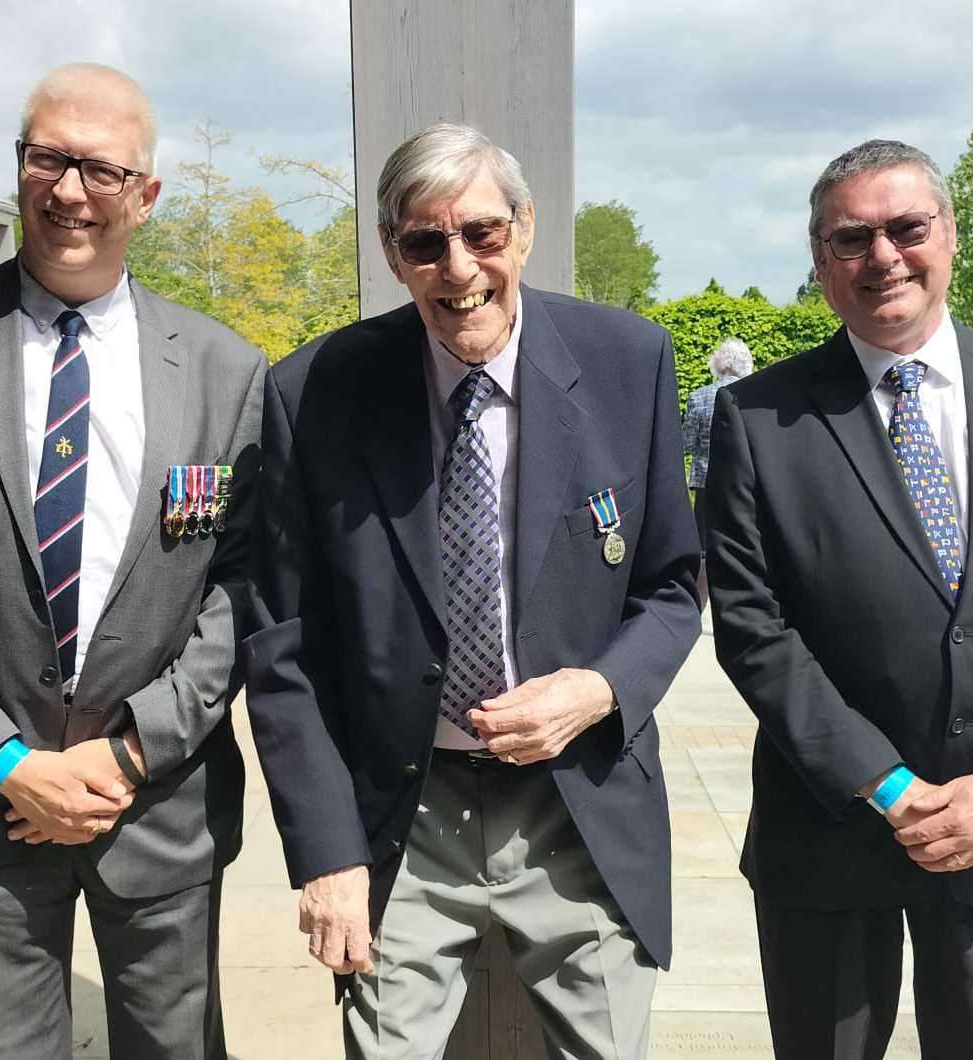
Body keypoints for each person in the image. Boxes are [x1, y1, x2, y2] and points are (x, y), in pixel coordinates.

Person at [0, 63, 266, 1060]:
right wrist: (5, 760)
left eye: (101, 169)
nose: (70, 191)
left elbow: (242, 587)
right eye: (48, 158)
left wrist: (130, 750)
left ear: (146, 195)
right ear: (22, 163)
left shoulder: (222, 367)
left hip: (156, 807)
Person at [245, 122, 700, 1059]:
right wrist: (327, 851)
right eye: (426, 242)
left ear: (524, 231)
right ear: (393, 253)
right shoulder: (314, 392)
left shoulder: (629, 363)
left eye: (483, 234)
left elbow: (672, 583)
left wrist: (601, 689)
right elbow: (282, 642)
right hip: (406, 811)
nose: (459, 269)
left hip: (578, 795)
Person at [702, 139, 973, 1059]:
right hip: (831, 834)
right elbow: (753, 627)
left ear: (949, 234)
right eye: (851, 239)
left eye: (906, 228)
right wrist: (890, 786)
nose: (883, 257)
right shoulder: (761, 418)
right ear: (821, 264)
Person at [682, 337, 752, 607]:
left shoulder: (699, 396)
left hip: (704, 480)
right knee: (739, 542)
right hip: (744, 481)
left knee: (702, 549)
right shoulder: (754, 395)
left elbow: (687, 442)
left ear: (719, 363)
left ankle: (698, 605)